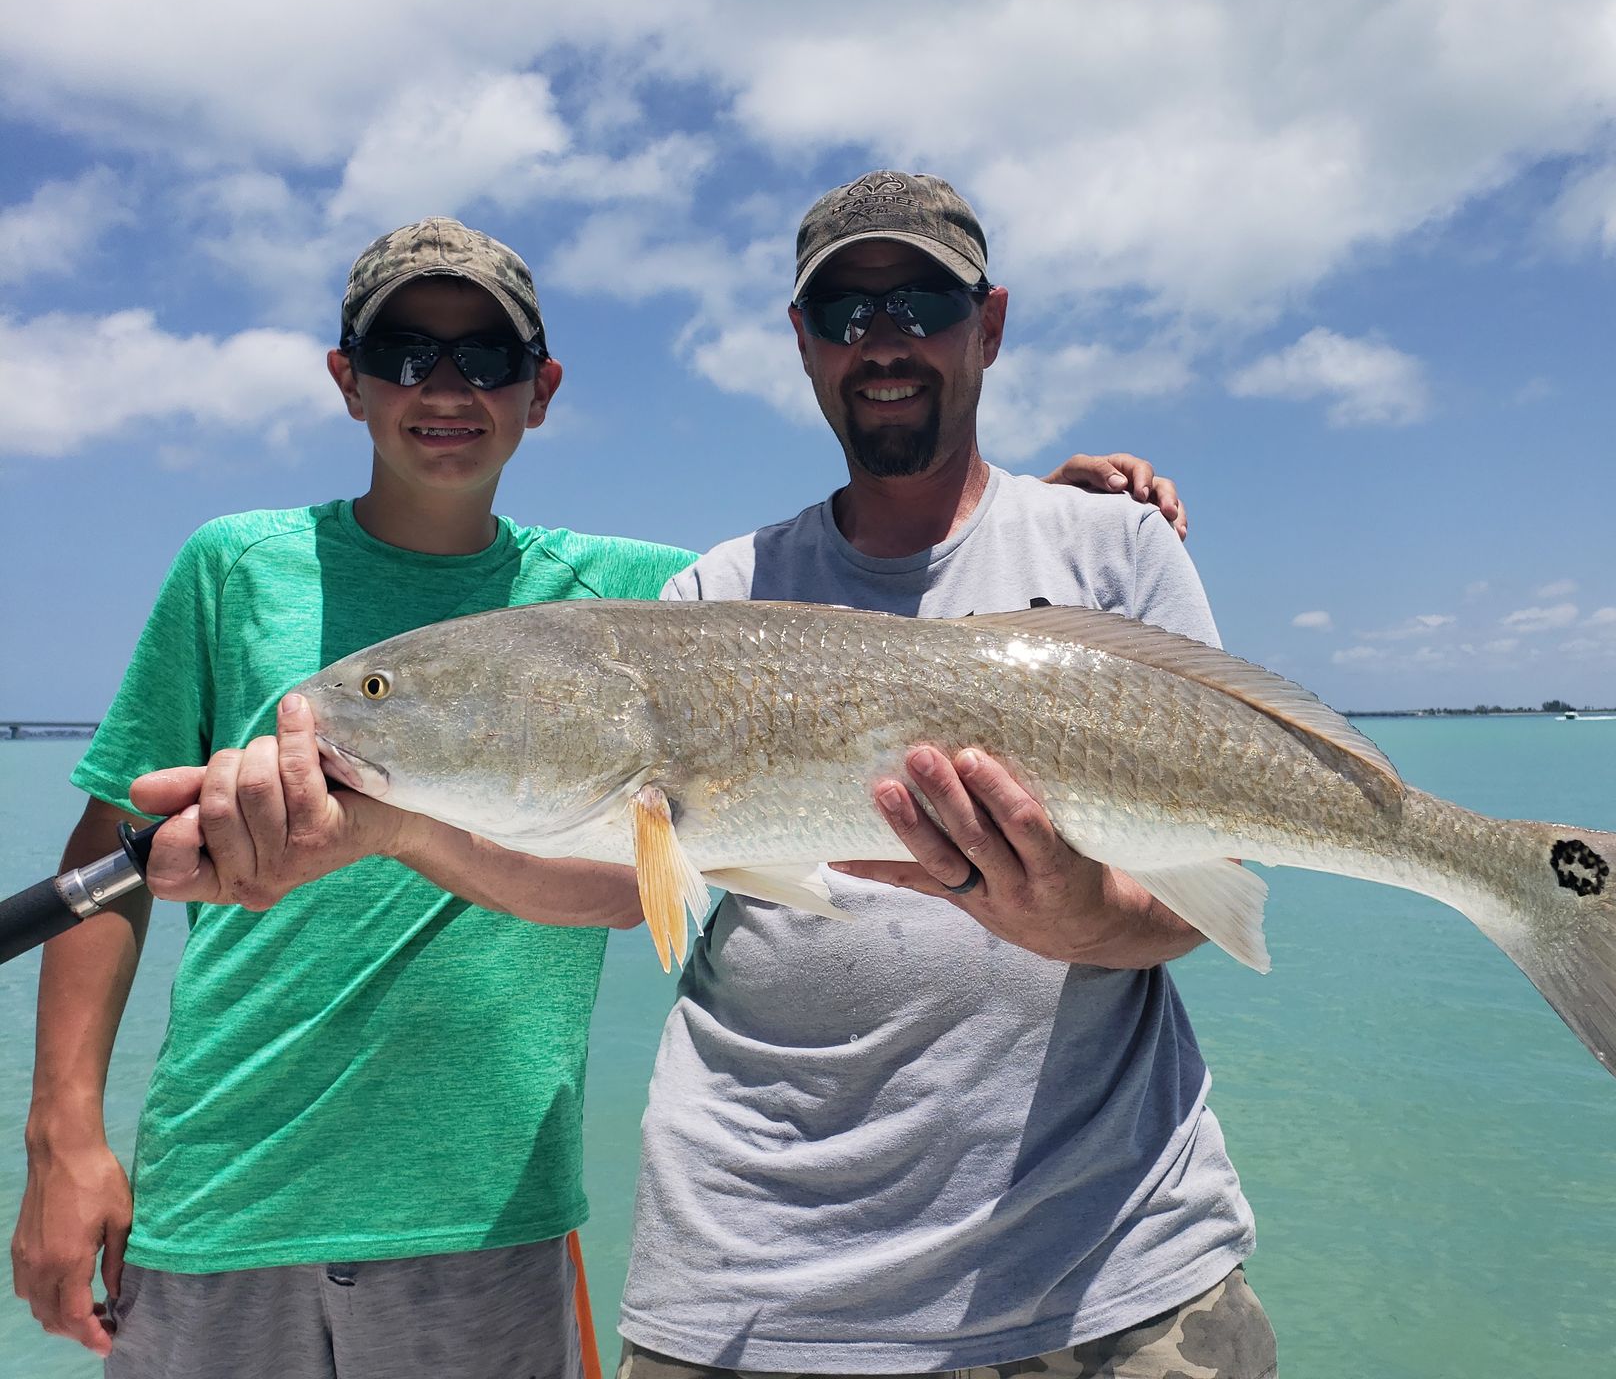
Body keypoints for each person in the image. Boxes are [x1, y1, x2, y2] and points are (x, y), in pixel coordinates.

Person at [9, 213, 1179, 1379]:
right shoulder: (234, 568)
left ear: (543, 387)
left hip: (487, 1202)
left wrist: (1056, 531)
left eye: (490, 358)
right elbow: (106, 848)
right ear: (347, 380)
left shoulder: (629, 596)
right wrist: (64, 1139)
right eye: (406, 353)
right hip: (222, 1184)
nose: (448, 386)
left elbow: (826, 632)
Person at [614, 172, 1276, 1377]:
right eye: (845, 314)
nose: (885, 342)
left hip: (1112, 1277)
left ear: (992, 323)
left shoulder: (1115, 544)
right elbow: (611, 875)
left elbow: (1205, 882)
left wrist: (1081, 916)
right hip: (753, 1288)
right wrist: (383, 826)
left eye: (921, 300)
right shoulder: (709, 596)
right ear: (803, 345)